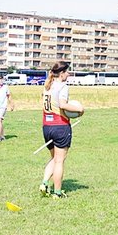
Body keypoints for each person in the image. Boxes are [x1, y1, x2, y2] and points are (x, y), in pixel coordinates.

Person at [39, 61, 83, 199]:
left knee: (54, 158)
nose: (68, 74)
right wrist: (80, 110)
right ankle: (57, 193)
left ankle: (44, 183)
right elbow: (63, 105)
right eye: (67, 72)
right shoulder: (63, 86)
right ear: (62, 73)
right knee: (59, 161)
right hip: (60, 126)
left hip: (47, 126)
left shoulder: (47, 86)